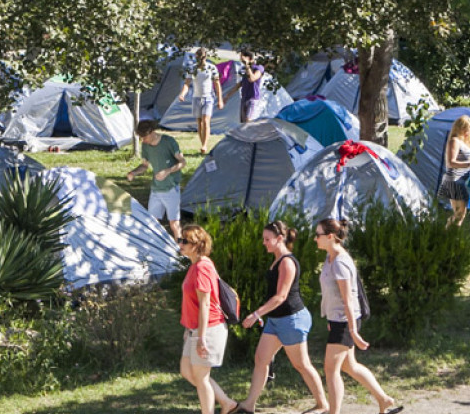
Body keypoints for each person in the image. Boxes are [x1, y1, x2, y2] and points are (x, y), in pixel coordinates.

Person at [239, 221, 329, 414]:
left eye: (267, 239)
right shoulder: (277, 260)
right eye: (263, 239)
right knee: (261, 359)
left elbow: (281, 297)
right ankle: (248, 405)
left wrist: (256, 314)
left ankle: (322, 405)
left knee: (301, 364)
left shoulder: (287, 262)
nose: (264, 242)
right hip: (276, 320)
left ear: (280, 238)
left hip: (291, 320)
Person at [315, 219, 401, 414]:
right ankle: (384, 400)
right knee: (349, 366)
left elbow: (348, 300)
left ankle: (333, 412)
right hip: (338, 320)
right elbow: (332, 296)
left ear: (330, 237)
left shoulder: (340, 262)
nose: (315, 238)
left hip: (345, 322)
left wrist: (353, 331)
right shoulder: (330, 257)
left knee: (331, 369)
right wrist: (330, 318)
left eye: (318, 235)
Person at [178, 225, 240, 414]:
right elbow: (193, 304)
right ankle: (227, 403)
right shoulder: (195, 266)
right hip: (195, 328)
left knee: (201, 378)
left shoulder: (202, 267)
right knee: (187, 370)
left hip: (209, 328)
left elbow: (205, 304)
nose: (180, 244)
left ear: (197, 245)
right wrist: (188, 330)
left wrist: (201, 337)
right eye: (180, 240)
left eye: (184, 241)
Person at [127, 120, 185, 240]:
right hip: (156, 189)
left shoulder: (169, 142)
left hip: (170, 188)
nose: (143, 140)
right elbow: (144, 165)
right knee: (152, 222)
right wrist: (133, 172)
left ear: (152, 132)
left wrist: (168, 171)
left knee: (174, 224)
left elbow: (182, 162)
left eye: (144, 137)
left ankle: (181, 249)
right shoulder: (146, 146)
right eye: (141, 138)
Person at [438, 115, 470, 227]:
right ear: (459, 128)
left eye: (469, 129)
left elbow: (468, 159)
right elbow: (451, 162)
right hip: (453, 180)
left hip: (462, 181)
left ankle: (450, 233)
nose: (467, 132)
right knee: (459, 213)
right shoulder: (454, 141)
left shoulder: (466, 143)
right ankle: (447, 233)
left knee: (461, 214)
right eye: (465, 129)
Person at [178, 47, 224, 153]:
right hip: (196, 98)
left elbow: (217, 84)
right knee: (199, 122)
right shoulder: (193, 69)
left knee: (206, 121)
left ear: (205, 57)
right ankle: (202, 143)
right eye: (199, 58)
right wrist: (182, 94)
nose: (200, 60)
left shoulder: (211, 68)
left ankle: (204, 145)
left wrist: (220, 100)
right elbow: (187, 84)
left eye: (202, 58)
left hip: (208, 97)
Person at [228, 51, 268, 123]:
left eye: (243, 58)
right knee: (243, 123)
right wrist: (226, 97)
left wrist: (247, 66)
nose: (241, 60)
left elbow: (252, 79)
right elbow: (241, 83)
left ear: (249, 58)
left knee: (248, 121)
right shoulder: (244, 68)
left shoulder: (259, 68)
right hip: (244, 98)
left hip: (253, 98)